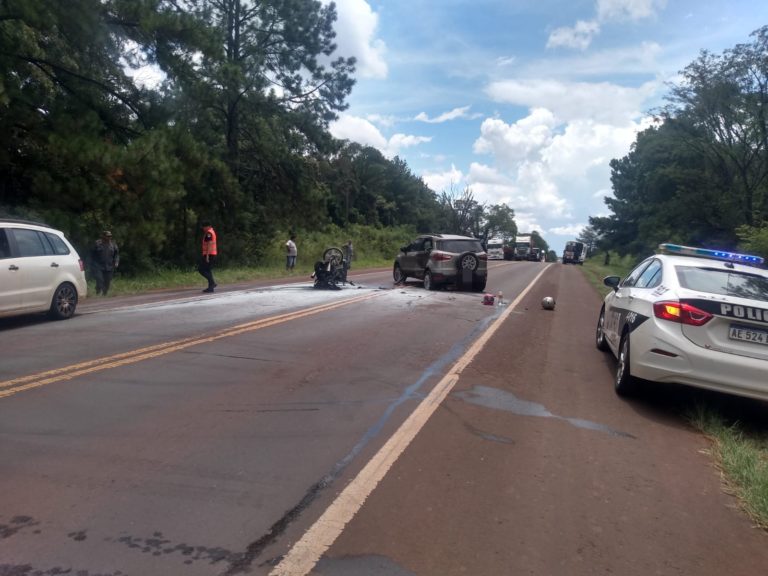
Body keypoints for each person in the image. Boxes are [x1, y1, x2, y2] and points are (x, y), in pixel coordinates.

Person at [91, 230, 119, 296]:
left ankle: (104, 294)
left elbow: (117, 255)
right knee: (100, 280)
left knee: (107, 282)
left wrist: (116, 262)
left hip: (109, 266)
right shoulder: (97, 244)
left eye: (110, 236)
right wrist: (92, 264)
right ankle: (98, 292)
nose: (109, 238)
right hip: (98, 266)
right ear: (103, 236)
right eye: (107, 236)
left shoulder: (113, 245)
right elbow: (92, 254)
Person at [199, 221, 217, 293]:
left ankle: (212, 283)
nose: (203, 229)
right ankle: (210, 288)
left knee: (201, 269)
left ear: (207, 226)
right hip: (212, 253)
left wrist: (207, 256)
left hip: (209, 254)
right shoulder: (212, 231)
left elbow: (209, 244)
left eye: (204, 227)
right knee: (208, 270)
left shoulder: (209, 233)